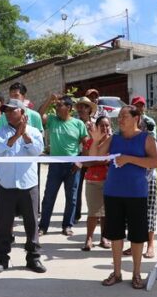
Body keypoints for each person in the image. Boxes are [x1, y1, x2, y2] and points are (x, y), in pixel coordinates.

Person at [90, 105, 157, 289]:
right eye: (119, 117)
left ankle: (136, 274)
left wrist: (129, 159)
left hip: (136, 194)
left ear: (136, 118)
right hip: (113, 192)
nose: (120, 120)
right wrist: (95, 141)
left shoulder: (146, 138)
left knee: (137, 236)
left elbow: (156, 161)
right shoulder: (114, 138)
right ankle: (117, 272)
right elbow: (95, 156)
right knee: (116, 235)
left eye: (124, 116)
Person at [0, 99, 46, 274]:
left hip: (28, 184)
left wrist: (25, 135)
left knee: (31, 223)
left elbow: (37, 150)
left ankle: (33, 257)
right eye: (6, 111)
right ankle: (2, 259)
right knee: (4, 223)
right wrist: (16, 136)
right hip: (6, 184)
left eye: (12, 111)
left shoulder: (34, 131)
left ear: (23, 113)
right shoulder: (0, 131)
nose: (8, 114)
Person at [38, 94, 88, 236]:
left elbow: (86, 145)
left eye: (60, 106)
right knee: (49, 196)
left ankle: (67, 225)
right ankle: (43, 226)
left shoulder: (78, 124)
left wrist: (80, 162)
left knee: (71, 197)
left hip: (73, 165)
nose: (57, 108)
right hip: (55, 165)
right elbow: (39, 114)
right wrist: (49, 99)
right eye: (57, 106)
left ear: (69, 108)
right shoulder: (53, 120)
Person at [130, 95, 157, 259]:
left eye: (141, 105)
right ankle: (134, 244)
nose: (139, 108)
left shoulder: (149, 123)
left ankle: (150, 245)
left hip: (147, 174)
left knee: (149, 210)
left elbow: (152, 146)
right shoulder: (126, 125)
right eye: (136, 106)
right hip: (132, 175)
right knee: (133, 211)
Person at [81, 115, 111, 252]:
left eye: (107, 125)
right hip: (92, 180)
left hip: (109, 181)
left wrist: (95, 160)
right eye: (102, 125)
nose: (104, 128)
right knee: (93, 212)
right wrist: (101, 160)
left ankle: (104, 238)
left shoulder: (112, 142)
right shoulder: (90, 142)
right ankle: (89, 238)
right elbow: (85, 162)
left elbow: (109, 160)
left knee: (106, 213)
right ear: (96, 127)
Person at [74, 96, 98, 222]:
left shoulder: (95, 123)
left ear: (89, 109)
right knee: (76, 187)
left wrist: (93, 132)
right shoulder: (74, 122)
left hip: (92, 158)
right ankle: (75, 214)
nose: (81, 109)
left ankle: (96, 214)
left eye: (84, 106)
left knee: (96, 186)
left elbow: (100, 140)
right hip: (78, 156)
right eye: (79, 106)